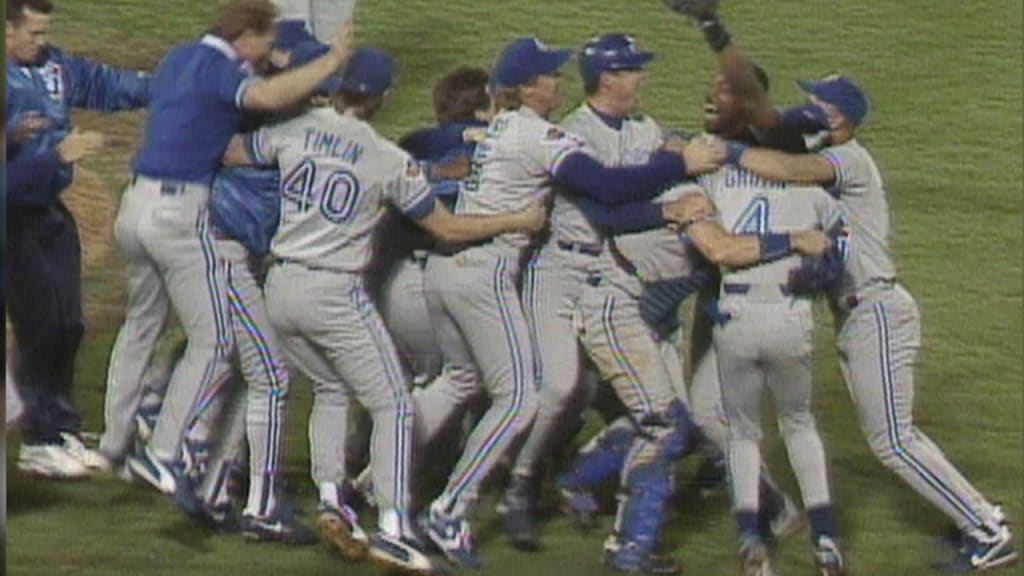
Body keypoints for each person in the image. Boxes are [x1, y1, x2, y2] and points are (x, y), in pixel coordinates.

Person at [223, 46, 544, 573]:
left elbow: (235, 152)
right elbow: (446, 228)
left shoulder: (296, 128)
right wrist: (516, 219)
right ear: (383, 97)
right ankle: (394, 529)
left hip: (279, 286)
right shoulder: (383, 157)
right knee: (393, 402)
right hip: (333, 291)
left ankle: (331, 499)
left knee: (330, 387)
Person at [413, 35, 720, 569]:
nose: (559, 80)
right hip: (533, 269)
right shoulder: (552, 134)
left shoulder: (511, 125)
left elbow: (423, 138)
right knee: (537, 393)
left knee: (479, 383)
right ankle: (497, 493)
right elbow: (603, 192)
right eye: (550, 75)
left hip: (569, 272)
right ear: (529, 87)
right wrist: (678, 183)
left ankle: (387, 484)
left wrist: (676, 154)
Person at [731, 75, 1018, 573]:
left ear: (839, 116)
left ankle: (988, 528)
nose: (810, 106)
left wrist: (727, 154)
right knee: (892, 437)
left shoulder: (846, 161)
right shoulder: (826, 157)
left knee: (894, 439)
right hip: (857, 315)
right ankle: (974, 519)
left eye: (819, 101)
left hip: (877, 312)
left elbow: (789, 168)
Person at [99, 0, 354, 531]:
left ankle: (114, 443)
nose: (267, 51)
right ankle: (165, 450)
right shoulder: (223, 69)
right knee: (213, 339)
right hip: (178, 210)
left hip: (135, 204)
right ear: (246, 35)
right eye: (265, 40)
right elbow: (260, 96)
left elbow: (161, 98)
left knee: (143, 324)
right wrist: (329, 63)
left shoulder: (179, 58)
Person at [5, 0, 150, 478]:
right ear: (8, 31)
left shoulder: (56, 68)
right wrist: (57, 156)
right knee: (41, 321)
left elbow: (110, 86)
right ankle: (38, 438)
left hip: (49, 211)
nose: (41, 43)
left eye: (46, 32)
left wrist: (169, 87)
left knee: (69, 321)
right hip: (12, 220)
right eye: (33, 33)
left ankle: (61, 427)